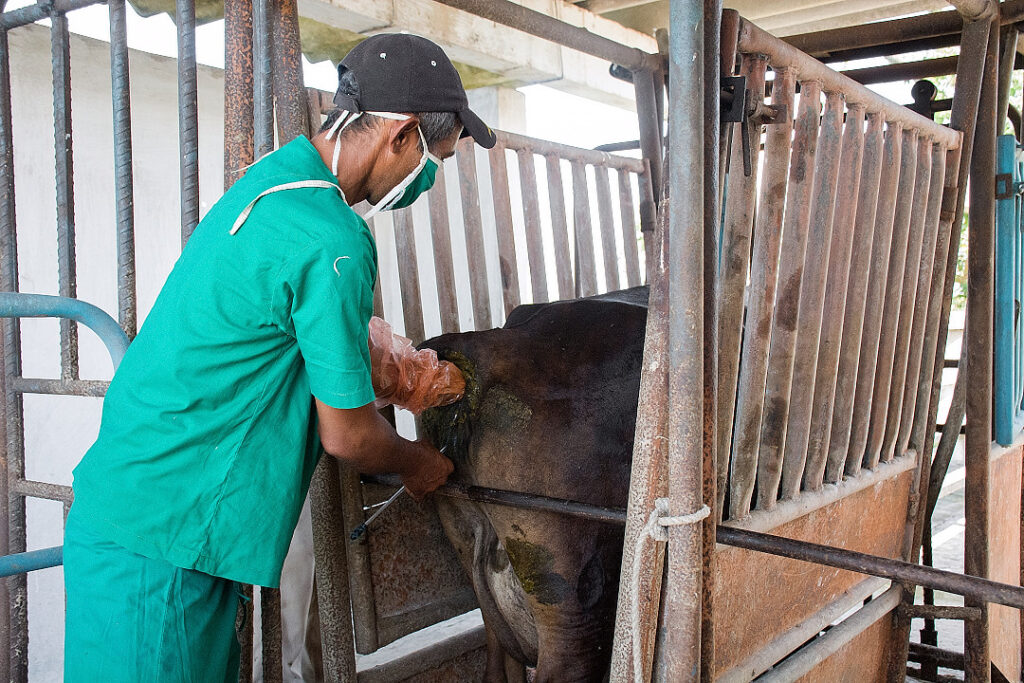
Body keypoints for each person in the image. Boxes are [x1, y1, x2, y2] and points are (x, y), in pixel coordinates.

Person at [63, 33, 496, 681]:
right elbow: (347, 435)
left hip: (148, 524)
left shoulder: (275, 185)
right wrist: (421, 464)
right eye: (434, 160)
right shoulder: (332, 238)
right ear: (401, 135)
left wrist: (385, 360)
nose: (426, 180)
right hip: (162, 542)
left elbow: (275, 330)